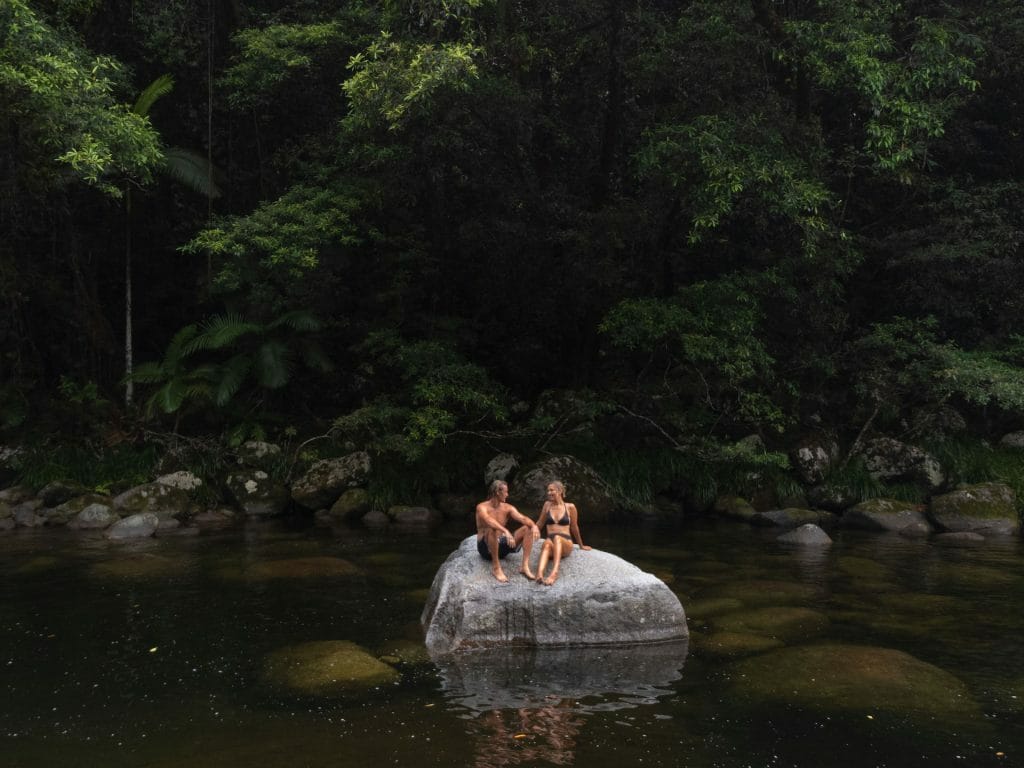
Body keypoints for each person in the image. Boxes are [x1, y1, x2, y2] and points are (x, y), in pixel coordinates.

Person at [476, 479, 540, 582]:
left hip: (502, 547)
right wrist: (505, 531)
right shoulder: (482, 507)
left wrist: (534, 526)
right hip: (486, 548)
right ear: (498, 492)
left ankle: (524, 566)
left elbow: (522, 518)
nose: (507, 494)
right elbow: (488, 520)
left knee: (527, 528)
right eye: (505, 492)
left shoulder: (507, 508)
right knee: (493, 529)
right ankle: (496, 568)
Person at [534, 480, 591, 586]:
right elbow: (540, 523)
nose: (549, 493)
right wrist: (533, 530)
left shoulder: (570, 507)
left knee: (557, 538)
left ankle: (554, 572)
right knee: (546, 543)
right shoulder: (547, 505)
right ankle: (539, 574)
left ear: (559, 491)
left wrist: (581, 545)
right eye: (548, 490)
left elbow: (574, 527)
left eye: (551, 490)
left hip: (565, 543)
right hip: (551, 542)